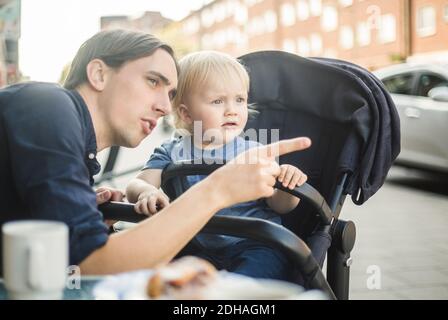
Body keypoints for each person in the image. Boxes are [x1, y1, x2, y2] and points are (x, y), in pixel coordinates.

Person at [0, 29, 311, 275]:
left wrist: (85, 219)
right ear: (99, 74)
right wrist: (217, 189)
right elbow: (88, 264)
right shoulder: (49, 106)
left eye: (170, 93)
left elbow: (63, 260)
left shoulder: (74, 148)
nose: (165, 107)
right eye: (153, 81)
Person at [126, 51, 308, 281]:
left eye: (240, 100)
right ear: (186, 113)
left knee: (241, 287)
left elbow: (280, 205)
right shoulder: (172, 151)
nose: (232, 109)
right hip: (197, 246)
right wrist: (147, 193)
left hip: (256, 244)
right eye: (218, 101)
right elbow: (138, 183)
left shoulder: (254, 152)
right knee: (163, 280)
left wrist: (287, 183)